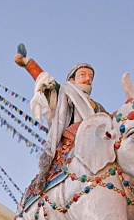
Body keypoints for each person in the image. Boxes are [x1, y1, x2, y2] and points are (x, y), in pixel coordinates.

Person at [14, 52, 108, 195]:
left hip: (97, 147)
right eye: (82, 75)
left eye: (91, 77)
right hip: (70, 146)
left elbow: (111, 124)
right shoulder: (65, 94)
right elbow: (47, 83)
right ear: (72, 80)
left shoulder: (97, 107)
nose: (88, 79)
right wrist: (28, 63)